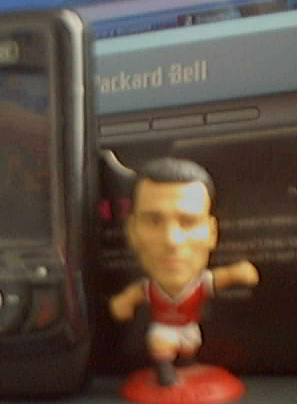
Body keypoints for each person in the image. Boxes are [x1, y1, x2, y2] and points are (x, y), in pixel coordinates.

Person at [109, 158, 259, 386]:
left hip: (189, 328)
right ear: (132, 232)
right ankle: (165, 371)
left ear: (212, 233)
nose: (172, 240)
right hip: (163, 328)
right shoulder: (149, 288)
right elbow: (133, 296)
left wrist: (238, 273)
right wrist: (124, 302)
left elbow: (221, 278)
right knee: (161, 343)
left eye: (188, 222)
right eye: (153, 221)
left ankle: (186, 366)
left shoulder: (200, 283)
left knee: (189, 345)